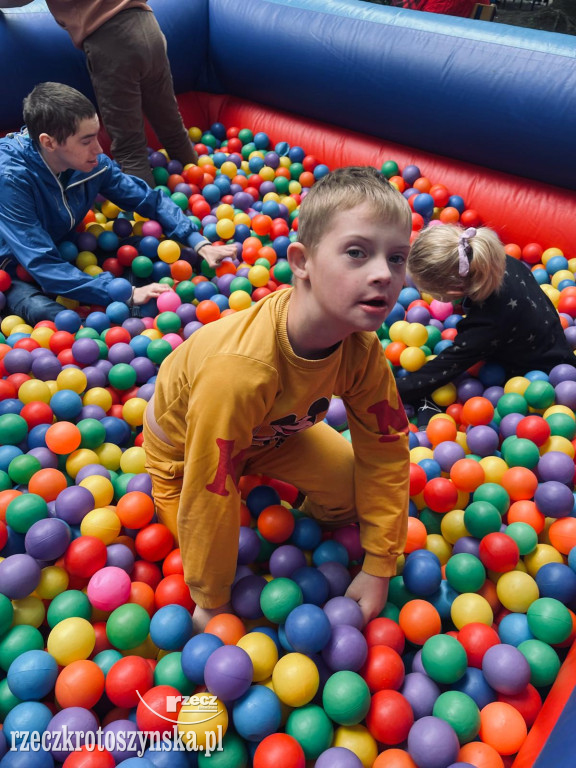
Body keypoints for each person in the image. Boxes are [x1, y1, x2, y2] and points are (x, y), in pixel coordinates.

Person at [143, 166, 412, 632]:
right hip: (186, 456)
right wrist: (211, 599)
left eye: (397, 258)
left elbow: (386, 452)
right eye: (357, 253)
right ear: (301, 262)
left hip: (271, 435)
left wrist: (378, 564)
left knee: (352, 497)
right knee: (214, 525)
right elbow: (210, 484)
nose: (382, 274)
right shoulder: (241, 370)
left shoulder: (361, 349)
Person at [0, 82, 235, 326]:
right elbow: (42, 263)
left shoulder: (91, 164)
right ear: (49, 142)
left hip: (64, 249)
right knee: (56, 317)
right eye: (86, 141)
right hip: (10, 270)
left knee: (166, 252)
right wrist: (124, 294)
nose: (99, 149)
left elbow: (148, 200)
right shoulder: (11, 177)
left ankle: (129, 317)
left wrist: (200, 243)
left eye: (96, 135)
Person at [0, 0, 197, 185]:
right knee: (172, 126)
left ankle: (147, 215)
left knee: (130, 148)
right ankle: (197, 177)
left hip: (111, 39)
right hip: (149, 27)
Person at [396, 225, 576, 408]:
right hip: (548, 335)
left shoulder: (486, 325)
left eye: (426, 290)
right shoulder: (499, 259)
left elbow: (440, 371)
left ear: (453, 290)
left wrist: (392, 391)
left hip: (543, 375)